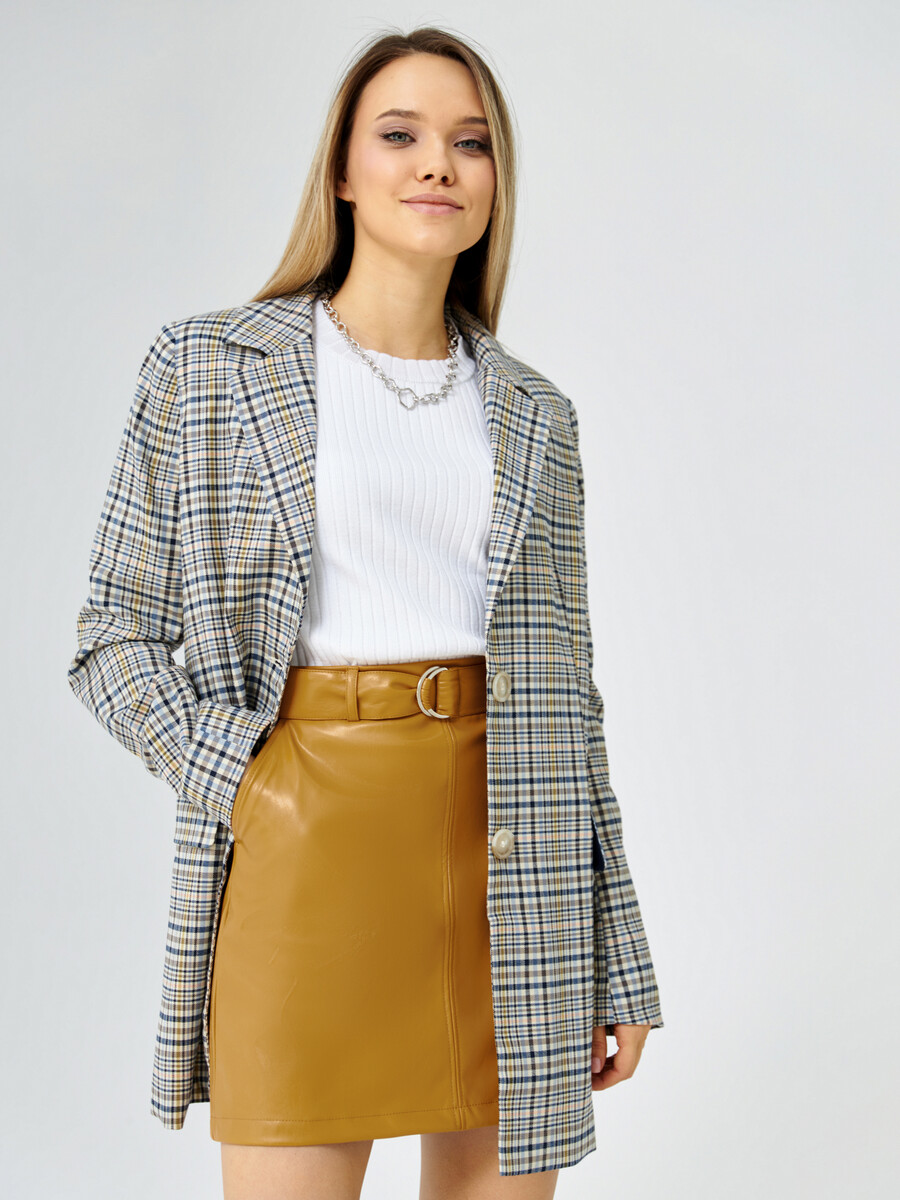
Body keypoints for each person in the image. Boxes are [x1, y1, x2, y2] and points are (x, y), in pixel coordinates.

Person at [66, 25, 664, 1200]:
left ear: (495, 183)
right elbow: (112, 638)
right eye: (400, 134)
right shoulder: (207, 367)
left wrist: (618, 952)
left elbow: (570, 698)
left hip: (515, 860)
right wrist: (252, 779)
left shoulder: (539, 414)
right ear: (341, 169)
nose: (438, 163)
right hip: (309, 842)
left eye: (471, 143)